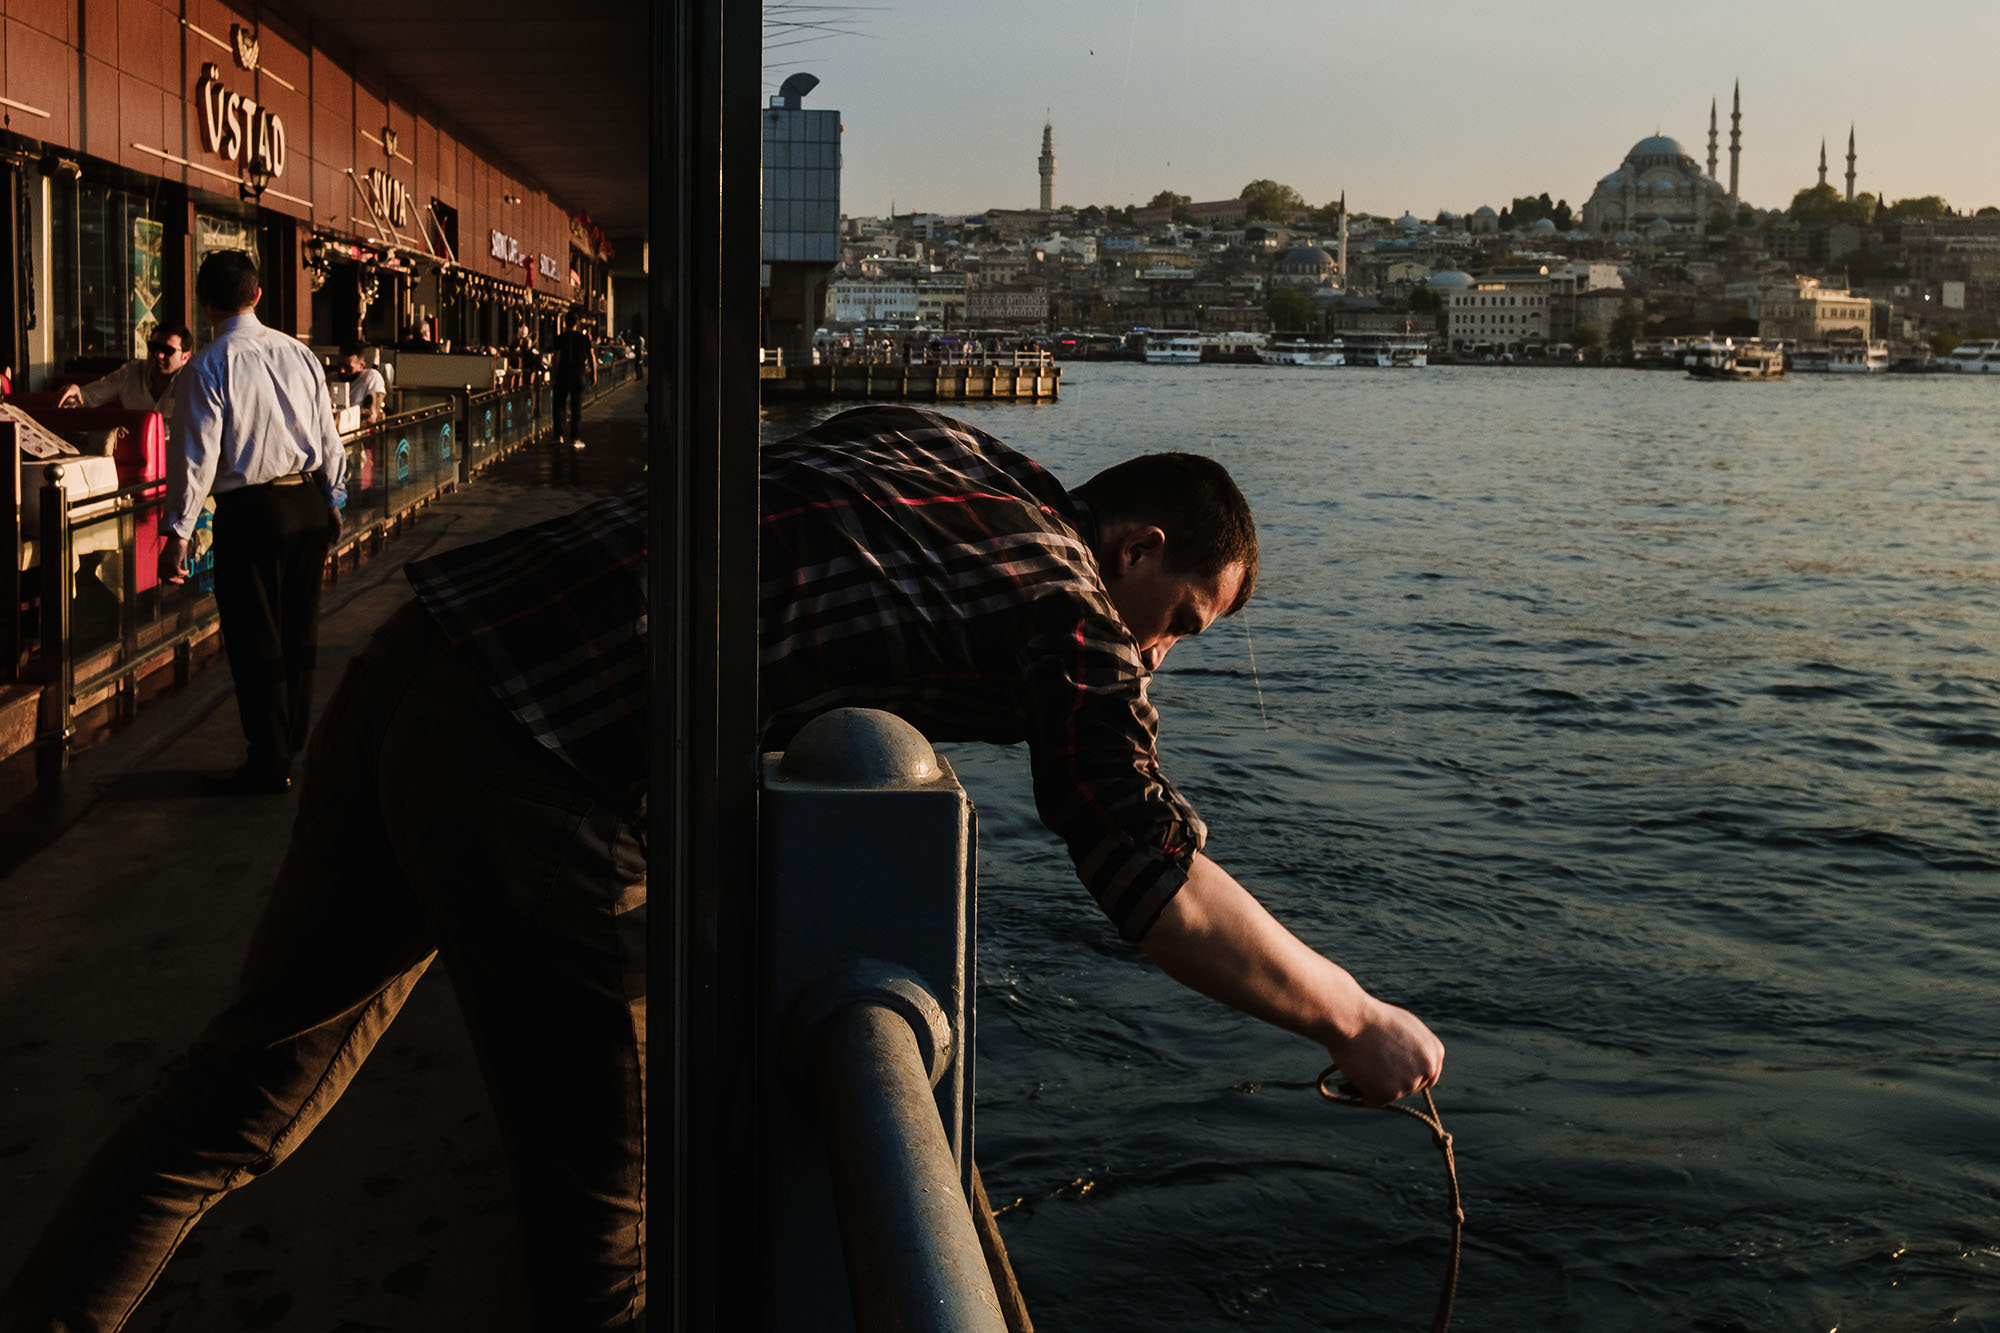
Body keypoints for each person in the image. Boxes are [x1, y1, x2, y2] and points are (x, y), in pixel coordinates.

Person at [0, 405, 1440, 1331]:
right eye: (1178, 618)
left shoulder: (945, 449)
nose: (1161, 660)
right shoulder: (1068, 608)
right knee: (611, 1222)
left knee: (244, 1083)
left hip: (426, 657)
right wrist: (1351, 1016)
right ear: (1133, 548)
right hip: (542, 755)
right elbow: (1153, 876)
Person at [165, 250, 347, 794]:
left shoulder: (208, 365)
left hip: (252, 515)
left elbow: (197, 458)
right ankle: (291, 748)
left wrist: (178, 531)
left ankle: (269, 760)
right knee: (299, 633)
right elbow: (327, 436)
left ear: (204, 303)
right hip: (308, 505)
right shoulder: (300, 355)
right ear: (258, 295)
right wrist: (334, 499)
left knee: (254, 638)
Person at [56, 324, 193, 420]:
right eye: (153, 347)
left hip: (178, 457)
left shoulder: (194, 383)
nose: (158, 355)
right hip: (137, 453)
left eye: (167, 350)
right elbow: (89, 396)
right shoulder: (130, 373)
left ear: (185, 357)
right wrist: (76, 391)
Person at [549, 309, 596, 465]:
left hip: (563, 375)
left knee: (559, 405)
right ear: (577, 323)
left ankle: (558, 436)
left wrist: (553, 375)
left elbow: (556, 358)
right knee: (576, 407)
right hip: (579, 375)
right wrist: (594, 374)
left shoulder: (560, 338)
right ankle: (575, 438)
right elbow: (591, 356)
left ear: (565, 323)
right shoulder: (584, 339)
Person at [338, 341, 388, 424]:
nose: (342, 371)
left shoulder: (370, 377)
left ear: (362, 366)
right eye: (339, 365)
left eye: (348, 367)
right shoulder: (331, 378)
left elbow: (371, 414)